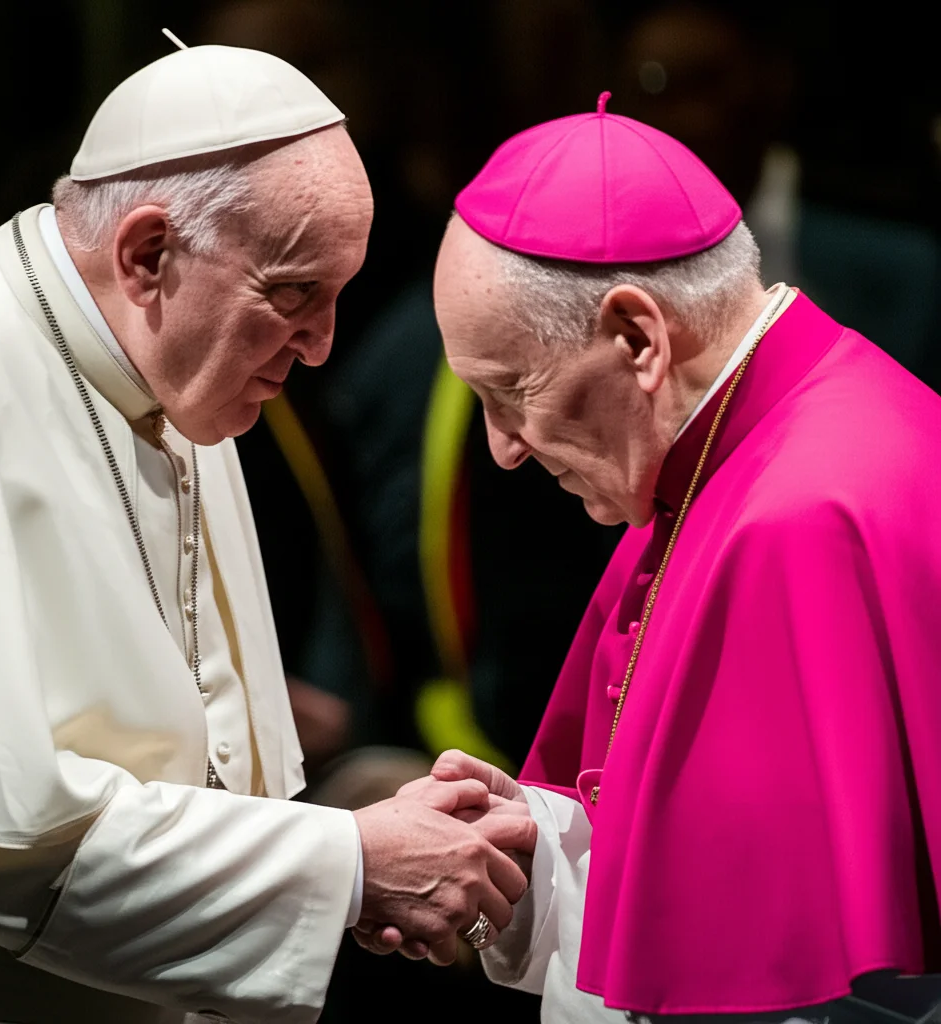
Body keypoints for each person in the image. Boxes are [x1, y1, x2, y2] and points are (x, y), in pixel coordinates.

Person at [0, 42, 536, 1024]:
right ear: (148, 253)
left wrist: (349, 847)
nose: (325, 345)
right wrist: (346, 863)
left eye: (339, 296)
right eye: (295, 295)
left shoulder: (157, 349)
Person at [358, 93, 941, 1022]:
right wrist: (532, 842)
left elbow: (798, 978)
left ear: (638, 338)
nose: (502, 447)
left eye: (512, 391)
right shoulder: (714, 456)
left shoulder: (802, 520)